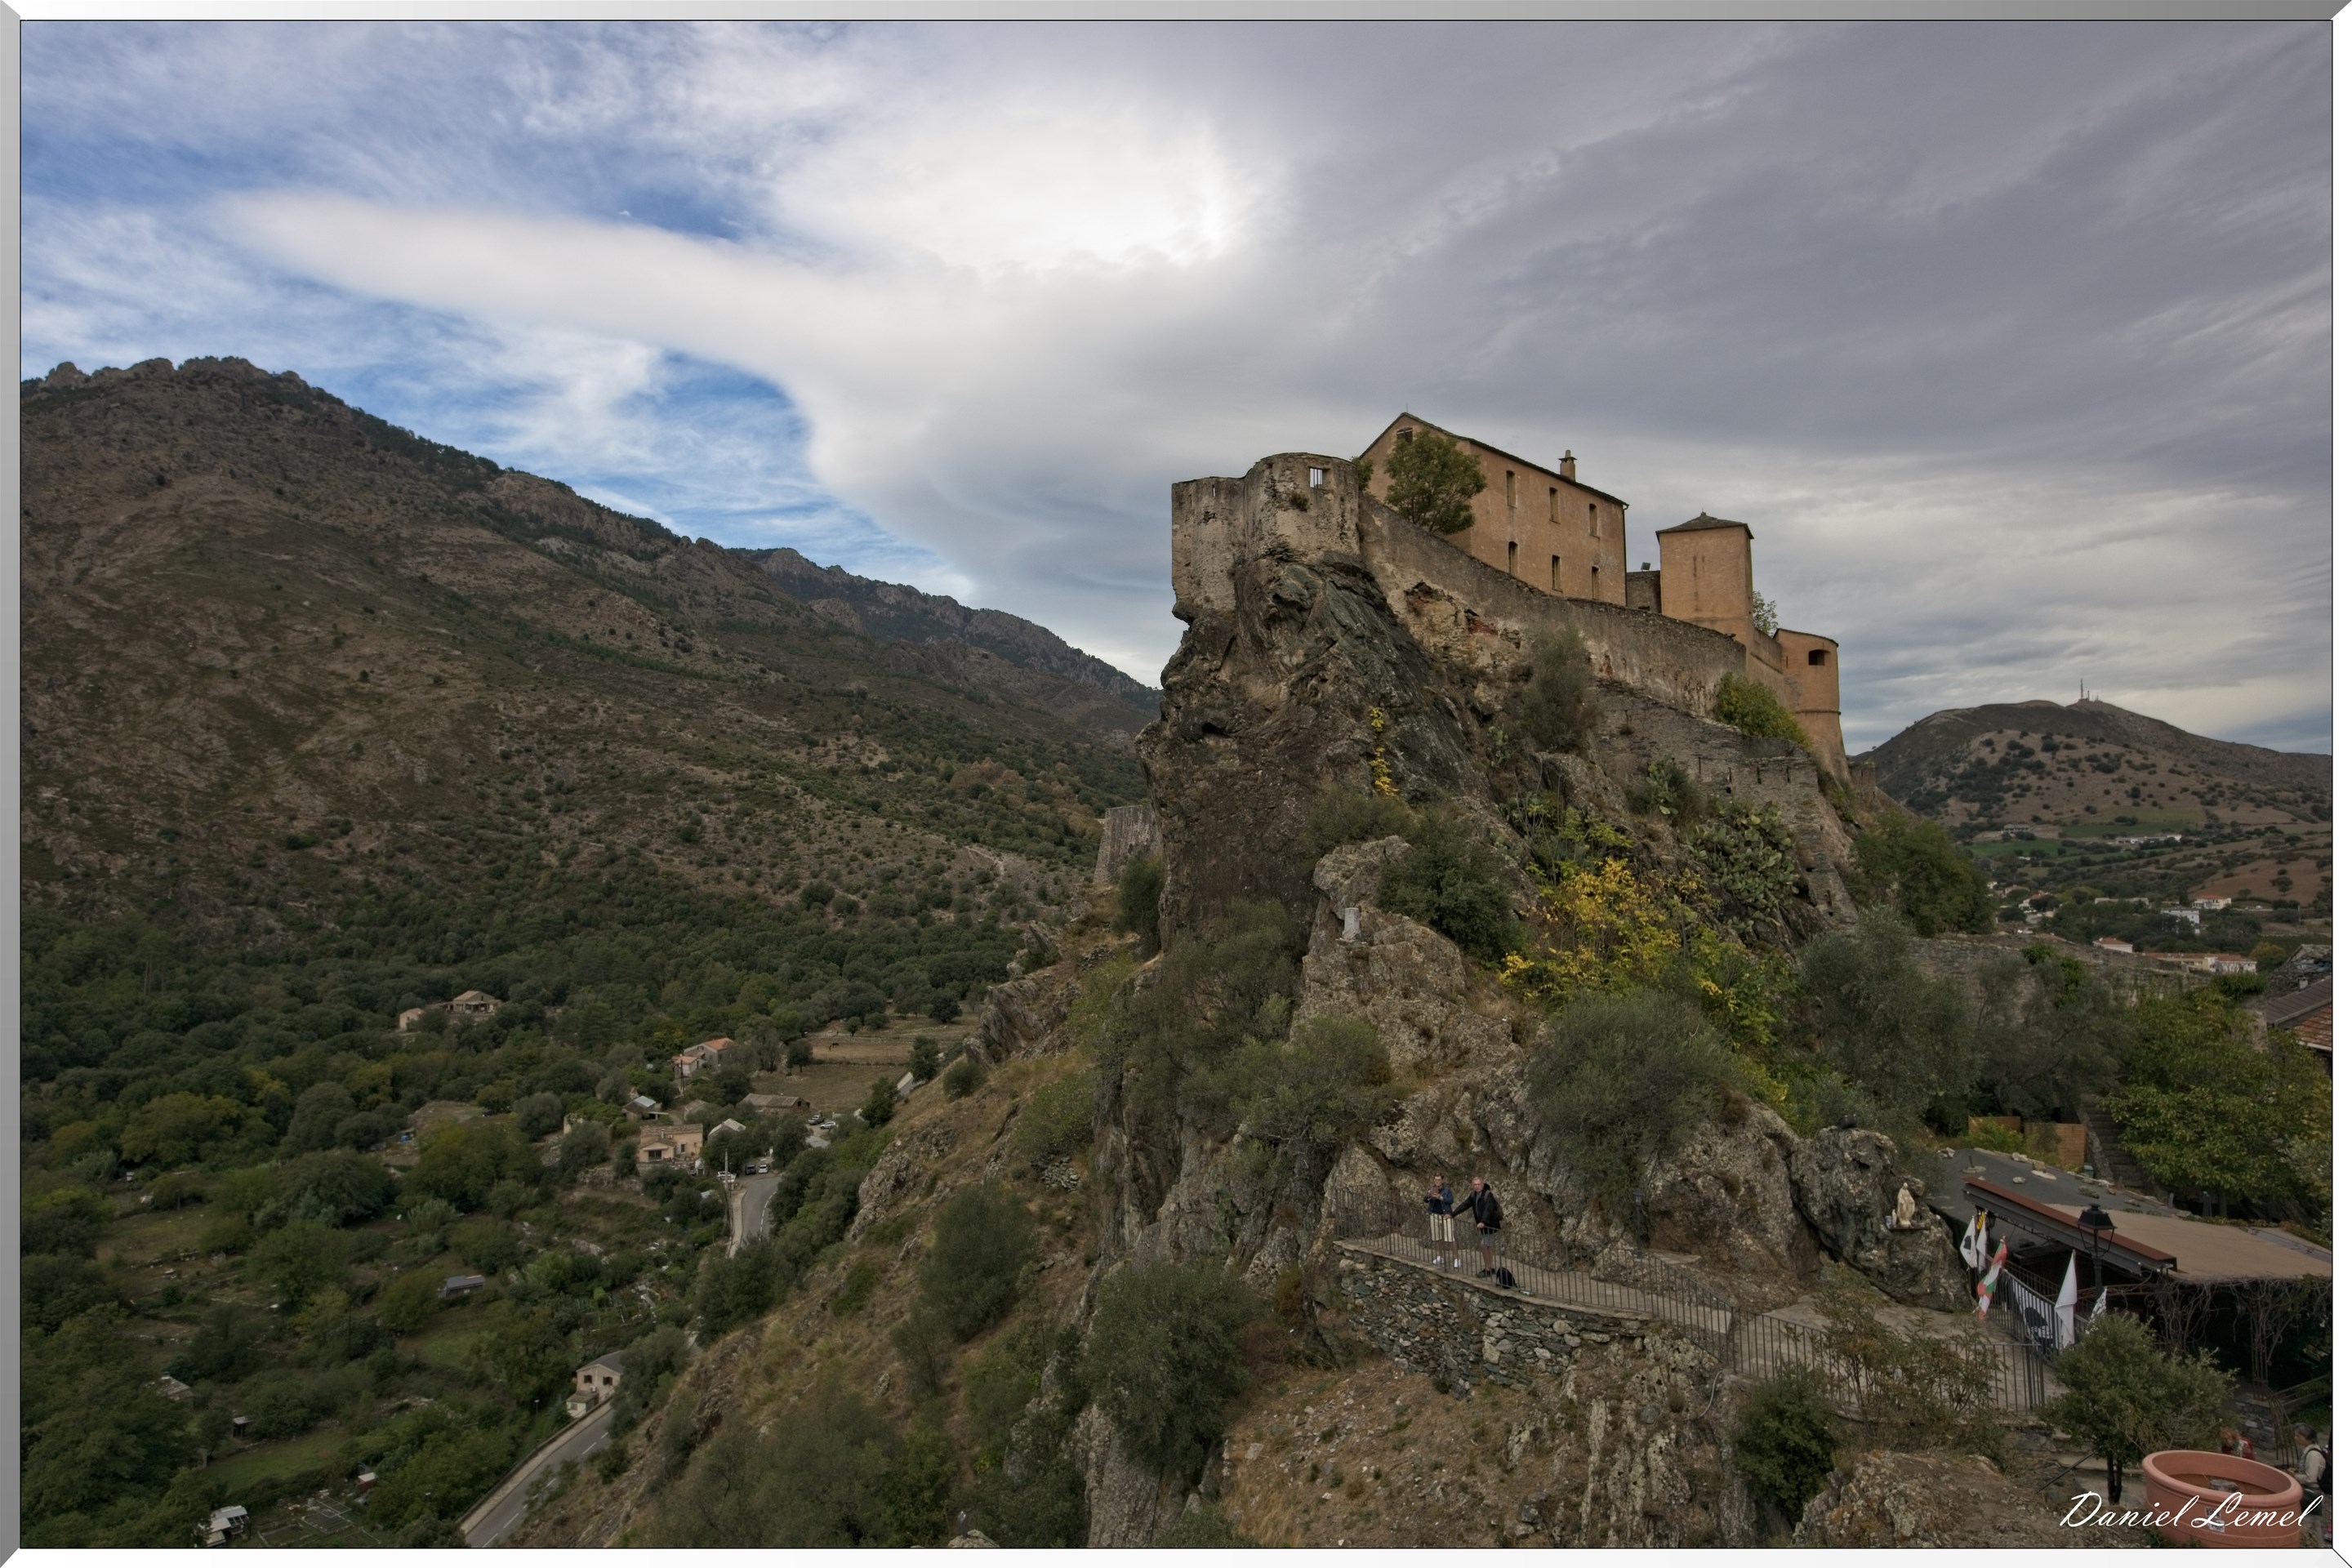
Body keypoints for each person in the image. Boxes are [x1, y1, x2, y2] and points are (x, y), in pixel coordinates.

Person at [1453, 1176, 1503, 1277]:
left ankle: (1488, 1268)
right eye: (1475, 1185)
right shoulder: (1474, 1195)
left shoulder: (1488, 1195)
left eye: (1479, 1184)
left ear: (1482, 1185)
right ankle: (1491, 1267)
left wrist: (1483, 1221)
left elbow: (1488, 1209)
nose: (1477, 1186)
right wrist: (1453, 1214)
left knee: (1484, 1246)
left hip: (1490, 1224)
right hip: (1483, 1225)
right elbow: (1465, 1205)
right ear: (1473, 1186)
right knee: (1488, 1246)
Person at [2295, 1423, 2330, 1546]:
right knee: (2315, 1525)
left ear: (2305, 1438)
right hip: (2313, 1493)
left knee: (2305, 1525)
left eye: (2298, 1436)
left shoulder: (2313, 1455)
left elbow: (2311, 1478)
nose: (2296, 1438)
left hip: (2312, 1494)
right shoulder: (2310, 1451)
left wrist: (2295, 1476)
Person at [1425, 1175, 1457, 1267]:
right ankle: (1440, 1256)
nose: (1437, 1181)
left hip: (1445, 1214)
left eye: (1439, 1180)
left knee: (1450, 1237)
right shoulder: (1432, 1188)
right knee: (1437, 1237)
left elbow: (1451, 1200)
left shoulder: (1447, 1190)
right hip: (1434, 1214)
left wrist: (1441, 1198)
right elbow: (1425, 1200)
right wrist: (1428, 1195)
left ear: (1442, 1180)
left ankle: (1456, 1258)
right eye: (1436, 1179)